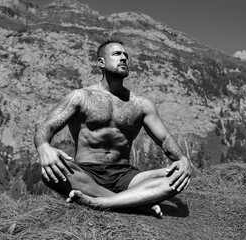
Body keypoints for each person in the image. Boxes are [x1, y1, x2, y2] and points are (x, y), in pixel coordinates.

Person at [34, 39, 191, 217]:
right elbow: (47, 126)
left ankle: (102, 201)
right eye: (117, 54)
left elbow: (164, 139)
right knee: (48, 171)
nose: (123, 58)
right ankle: (132, 202)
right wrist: (43, 147)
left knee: (177, 176)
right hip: (87, 173)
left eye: (126, 55)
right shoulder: (80, 97)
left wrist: (182, 159)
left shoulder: (141, 104)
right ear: (101, 62)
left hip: (125, 176)